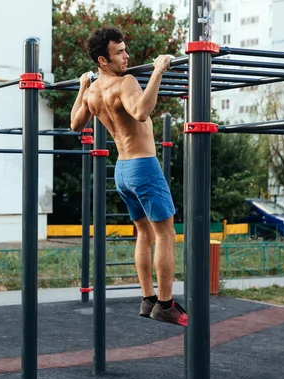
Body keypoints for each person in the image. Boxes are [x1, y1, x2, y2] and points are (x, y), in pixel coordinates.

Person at [70, 27, 187, 327]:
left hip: (122, 170)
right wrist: (158, 70)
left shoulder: (94, 92)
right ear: (102, 60)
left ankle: (148, 298)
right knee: (166, 235)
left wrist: (83, 87)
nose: (127, 56)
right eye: (119, 52)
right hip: (144, 166)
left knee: (145, 234)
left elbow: (74, 123)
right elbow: (142, 111)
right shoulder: (127, 82)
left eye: (125, 50)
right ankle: (165, 304)